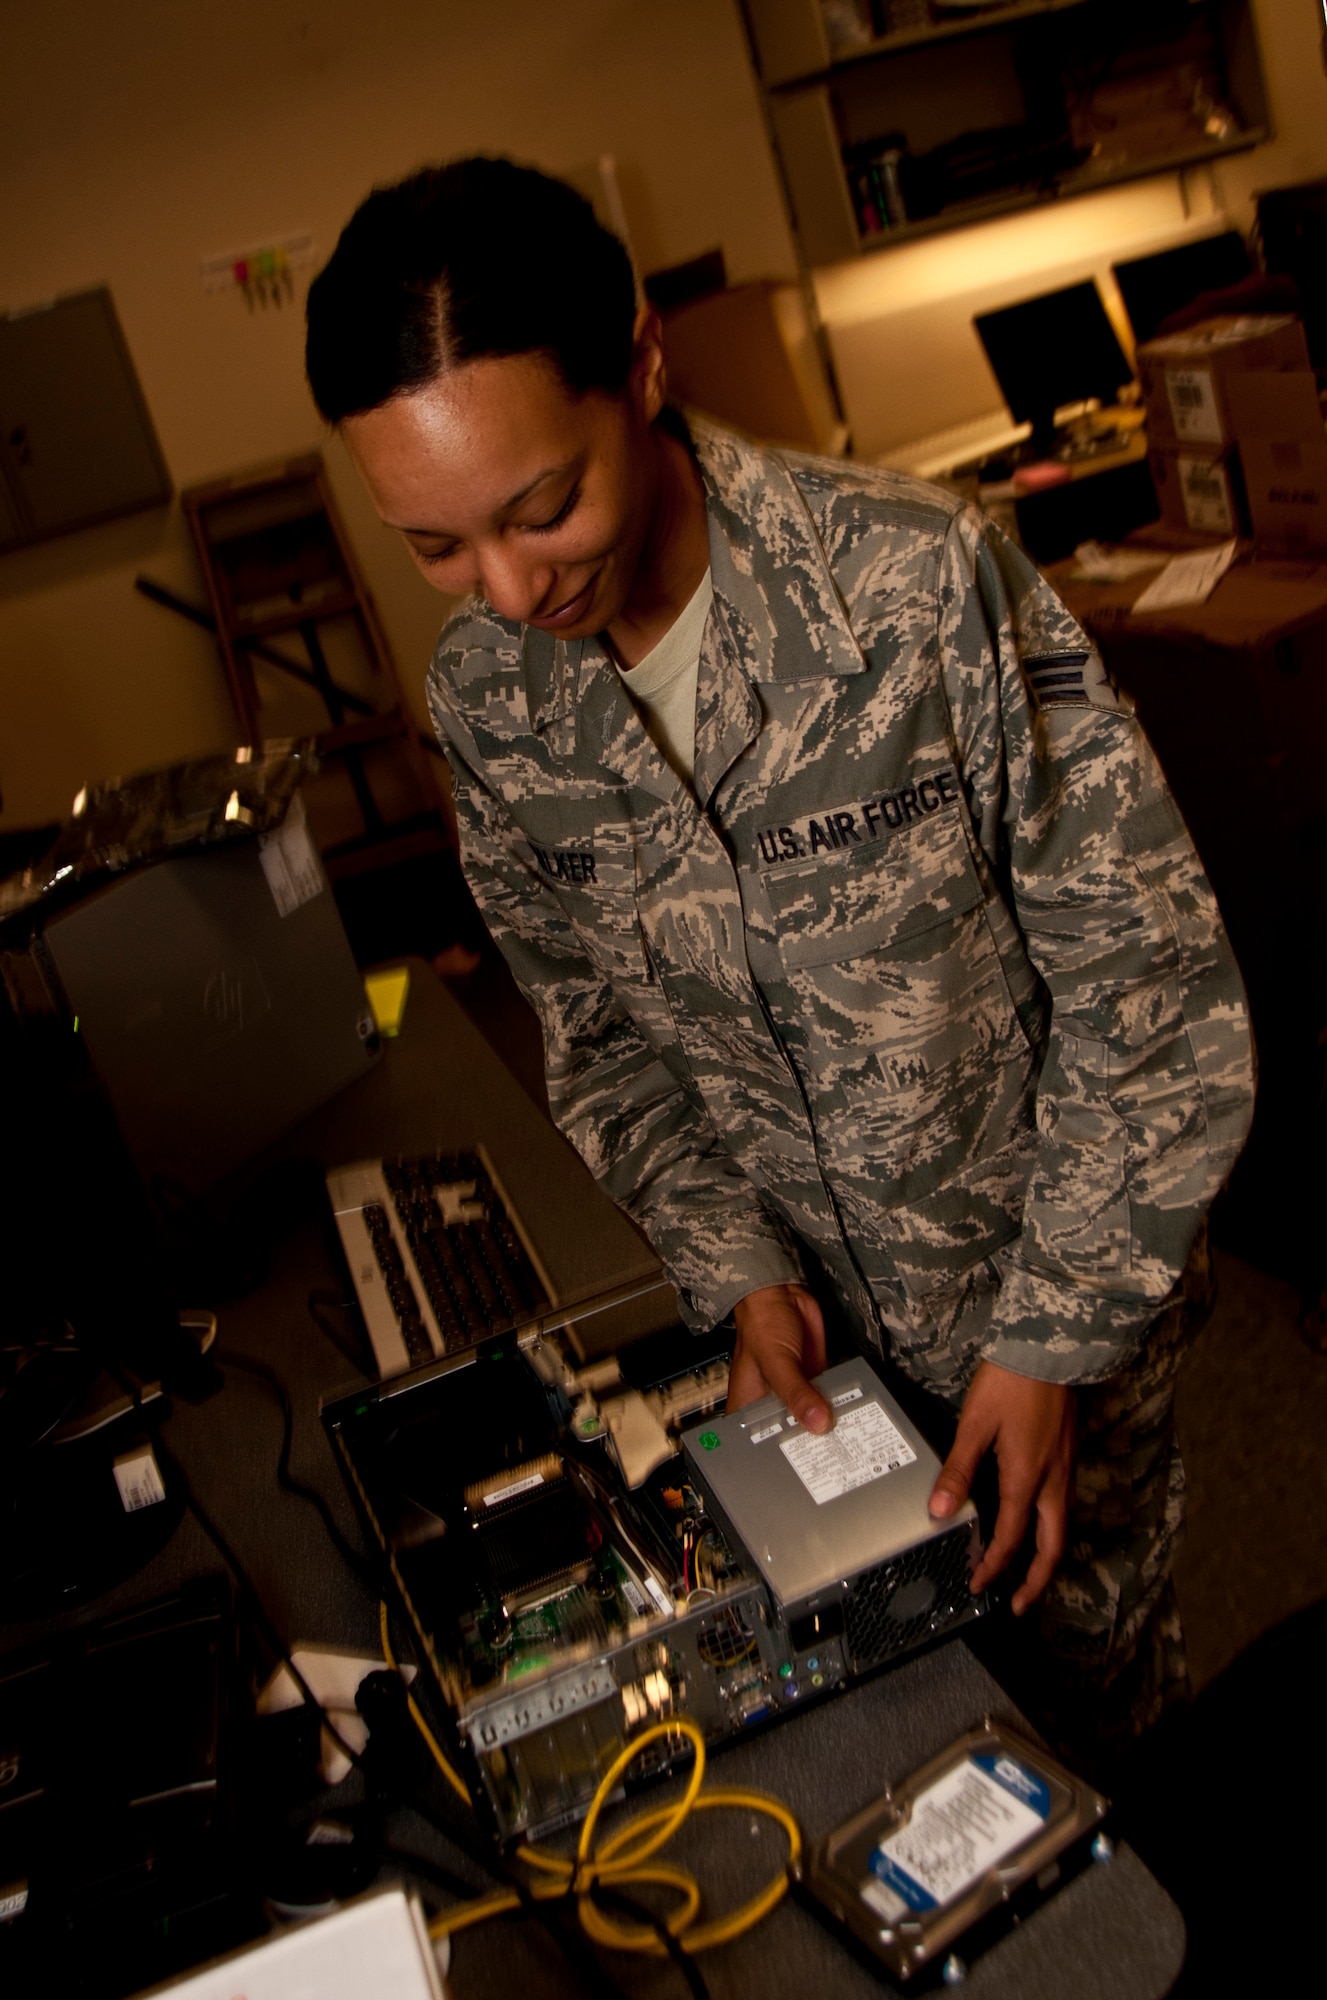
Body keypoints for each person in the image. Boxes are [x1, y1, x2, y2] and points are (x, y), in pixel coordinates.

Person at [305, 158, 1254, 1766]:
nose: (515, 593)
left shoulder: (914, 582)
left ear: (645, 365)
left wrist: (1047, 1336)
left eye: (543, 509)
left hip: (1063, 1320)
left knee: (1105, 1755)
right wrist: (739, 1269)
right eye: (438, 550)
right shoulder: (494, 708)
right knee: (894, 1760)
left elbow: (1148, 985)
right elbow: (599, 1035)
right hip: (828, 1373)